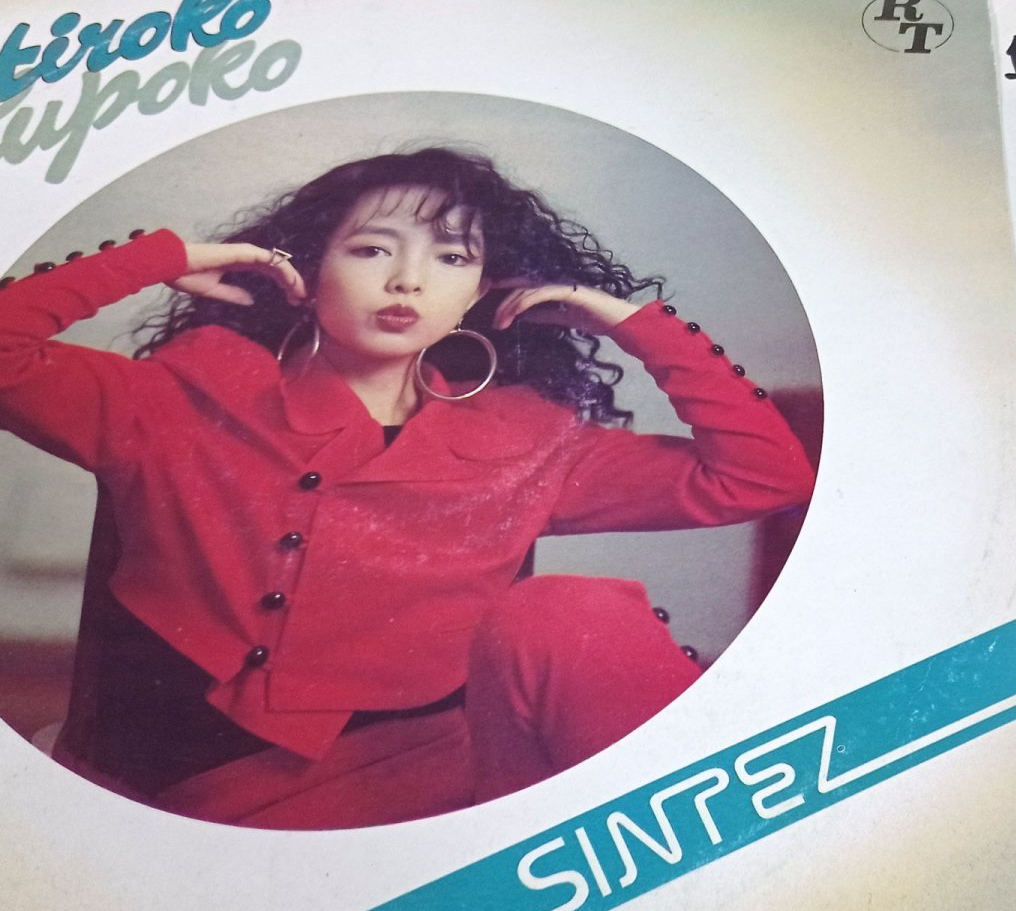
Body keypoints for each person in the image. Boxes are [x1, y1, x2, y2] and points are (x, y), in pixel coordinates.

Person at [0, 147, 816, 829]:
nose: (408, 281)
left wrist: (634, 326)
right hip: (231, 800)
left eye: (451, 259)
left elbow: (764, 478)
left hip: (460, 782)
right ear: (307, 268)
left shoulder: (530, 441)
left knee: (572, 613)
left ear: (483, 293)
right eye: (371, 250)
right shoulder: (179, 399)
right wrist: (159, 257)